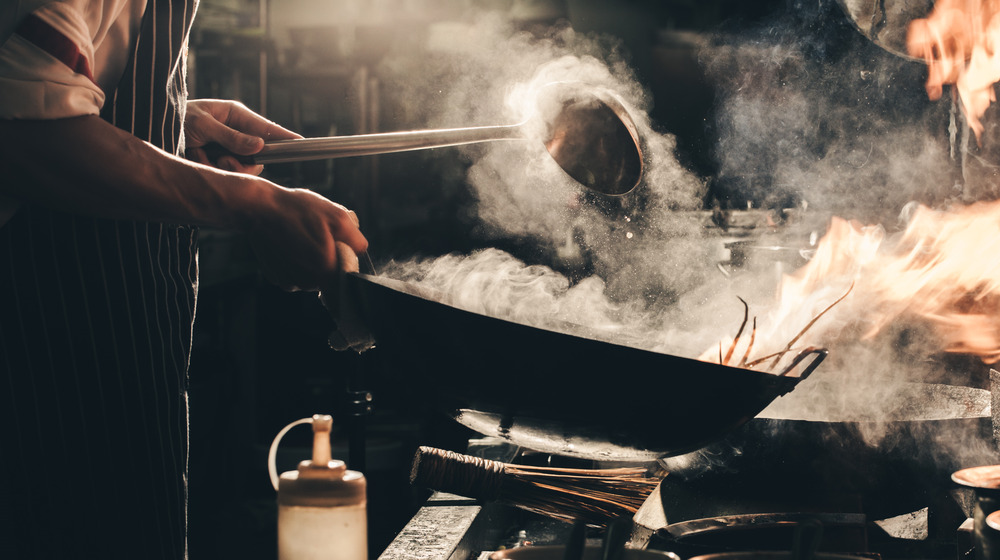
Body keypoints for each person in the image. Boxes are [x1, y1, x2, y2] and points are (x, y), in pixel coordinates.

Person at [0, 1, 367, 558]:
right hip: (37, 346)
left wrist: (171, 120)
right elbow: (22, 131)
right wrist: (251, 204)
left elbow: (52, 88)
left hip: (118, 348)